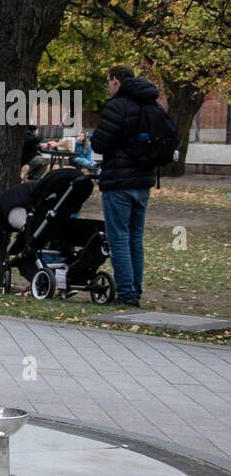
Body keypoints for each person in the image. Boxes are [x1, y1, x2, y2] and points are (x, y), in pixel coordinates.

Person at [91, 65, 159, 307]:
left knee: (118, 238)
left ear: (117, 81)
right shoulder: (151, 105)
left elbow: (99, 144)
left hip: (119, 181)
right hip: (144, 180)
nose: (108, 87)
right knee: (135, 238)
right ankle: (136, 290)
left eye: (108, 81)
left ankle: (128, 293)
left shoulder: (117, 106)